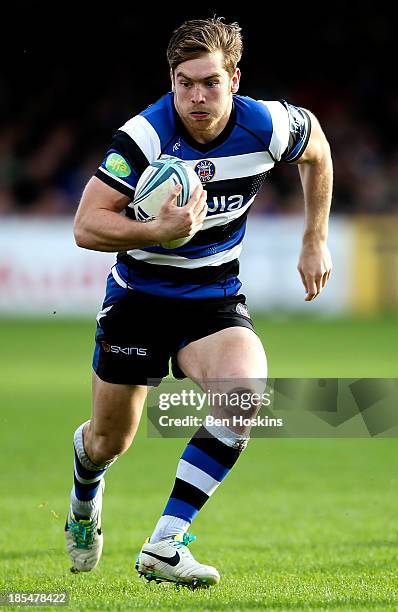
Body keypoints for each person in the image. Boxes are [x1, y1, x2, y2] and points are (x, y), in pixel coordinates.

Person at [65, 16, 333, 589]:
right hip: (138, 299)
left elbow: (320, 152)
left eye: (210, 82)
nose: (196, 97)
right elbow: (86, 227)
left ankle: (166, 542)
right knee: (110, 441)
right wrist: (157, 231)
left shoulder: (268, 125)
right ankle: (85, 487)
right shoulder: (144, 137)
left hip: (212, 297)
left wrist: (314, 239)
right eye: (184, 82)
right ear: (171, 80)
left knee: (243, 397)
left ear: (234, 78)